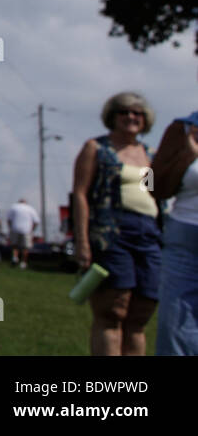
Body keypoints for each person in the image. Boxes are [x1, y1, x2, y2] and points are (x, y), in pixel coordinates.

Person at [72, 91, 162, 356]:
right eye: (124, 112)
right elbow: (80, 193)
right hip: (111, 234)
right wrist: (83, 241)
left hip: (148, 235)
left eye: (137, 113)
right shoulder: (97, 148)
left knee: (140, 314)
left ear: (145, 120)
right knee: (113, 310)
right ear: (112, 116)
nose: (131, 117)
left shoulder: (149, 154)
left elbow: (152, 192)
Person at [152, 108, 198, 355]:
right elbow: (149, 183)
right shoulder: (182, 128)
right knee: (175, 320)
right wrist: (185, 159)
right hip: (186, 237)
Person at [7, 198, 39, 268]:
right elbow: (36, 221)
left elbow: (9, 219)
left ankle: (15, 258)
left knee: (15, 246)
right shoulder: (30, 208)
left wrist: (11, 228)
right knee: (25, 248)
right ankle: (23, 263)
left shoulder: (14, 207)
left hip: (15, 229)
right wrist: (32, 230)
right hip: (26, 230)